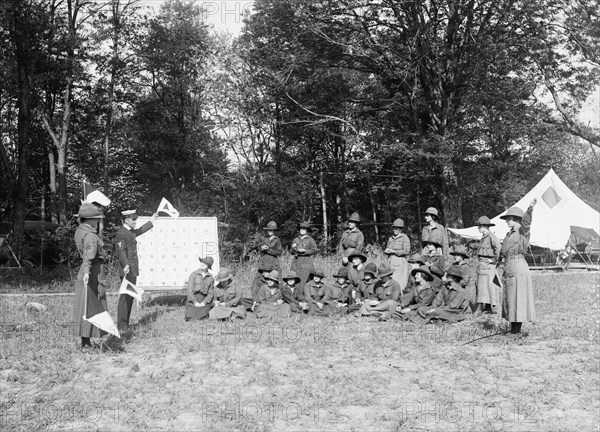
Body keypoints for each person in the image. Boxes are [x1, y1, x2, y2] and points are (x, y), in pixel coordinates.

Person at [72, 203, 110, 349]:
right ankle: (86, 341)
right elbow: (89, 254)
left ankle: (86, 340)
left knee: (86, 304)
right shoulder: (90, 235)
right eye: (96, 218)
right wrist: (88, 271)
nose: (98, 220)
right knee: (92, 304)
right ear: (89, 219)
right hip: (93, 270)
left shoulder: (80, 231)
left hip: (88, 269)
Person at [114, 209, 158, 332]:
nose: (135, 221)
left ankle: (125, 324)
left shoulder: (130, 232)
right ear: (126, 220)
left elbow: (139, 231)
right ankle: (122, 326)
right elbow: (121, 252)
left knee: (130, 296)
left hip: (133, 270)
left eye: (135, 219)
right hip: (127, 270)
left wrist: (152, 220)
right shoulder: (121, 233)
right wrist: (125, 265)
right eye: (133, 219)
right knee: (125, 297)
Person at [498, 199, 537, 336]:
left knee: (517, 298)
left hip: (518, 266)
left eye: (509, 219)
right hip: (509, 266)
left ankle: (516, 331)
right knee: (510, 298)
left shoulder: (522, 231)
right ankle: (513, 328)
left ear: (516, 219)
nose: (507, 221)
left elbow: (526, 223)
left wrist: (530, 209)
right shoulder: (508, 234)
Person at [474, 216, 502, 316]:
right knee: (481, 286)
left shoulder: (491, 236)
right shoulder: (483, 237)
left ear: (485, 226)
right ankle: (484, 306)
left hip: (488, 265)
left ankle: (491, 307)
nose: (478, 228)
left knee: (489, 286)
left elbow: (498, 247)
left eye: (480, 226)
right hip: (482, 265)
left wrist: (495, 260)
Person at [184, 257, 215, 321]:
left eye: (205, 263)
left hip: (204, 301)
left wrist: (204, 302)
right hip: (194, 300)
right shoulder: (193, 275)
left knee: (205, 311)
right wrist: (195, 302)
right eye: (202, 262)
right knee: (190, 317)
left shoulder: (210, 277)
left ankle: (204, 313)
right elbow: (189, 290)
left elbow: (211, 293)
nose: (202, 264)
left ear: (208, 266)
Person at [384, 218, 411, 290]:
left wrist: (393, 251)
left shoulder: (405, 238)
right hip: (390, 261)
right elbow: (388, 248)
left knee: (399, 282)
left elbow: (406, 251)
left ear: (401, 229)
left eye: (397, 229)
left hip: (400, 262)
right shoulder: (391, 238)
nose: (395, 230)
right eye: (394, 228)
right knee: (390, 281)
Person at [290, 221, 318, 288]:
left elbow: (314, 250)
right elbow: (291, 251)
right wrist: (293, 249)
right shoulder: (295, 239)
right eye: (301, 228)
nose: (302, 230)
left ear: (307, 230)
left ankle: (303, 296)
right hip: (296, 262)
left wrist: (304, 251)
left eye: (304, 229)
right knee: (294, 279)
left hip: (306, 261)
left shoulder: (310, 240)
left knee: (304, 281)